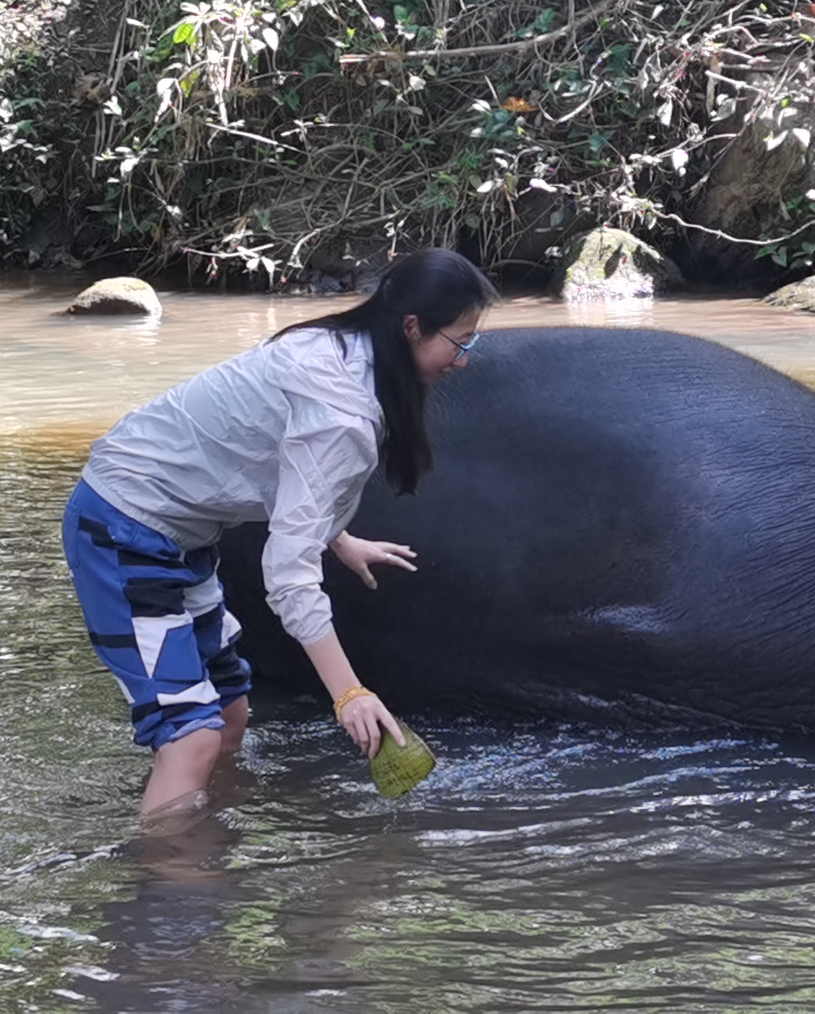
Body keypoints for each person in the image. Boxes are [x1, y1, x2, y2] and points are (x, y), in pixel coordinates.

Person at [61, 248, 498, 816]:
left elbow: (282, 472)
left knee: (229, 712)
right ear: (411, 327)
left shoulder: (343, 350)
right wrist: (349, 694)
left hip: (177, 534)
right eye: (460, 341)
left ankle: (208, 835)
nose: (462, 359)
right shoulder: (341, 407)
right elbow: (288, 576)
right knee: (189, 738)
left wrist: (338, 536)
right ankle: (169, 889)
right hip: (121, 525)